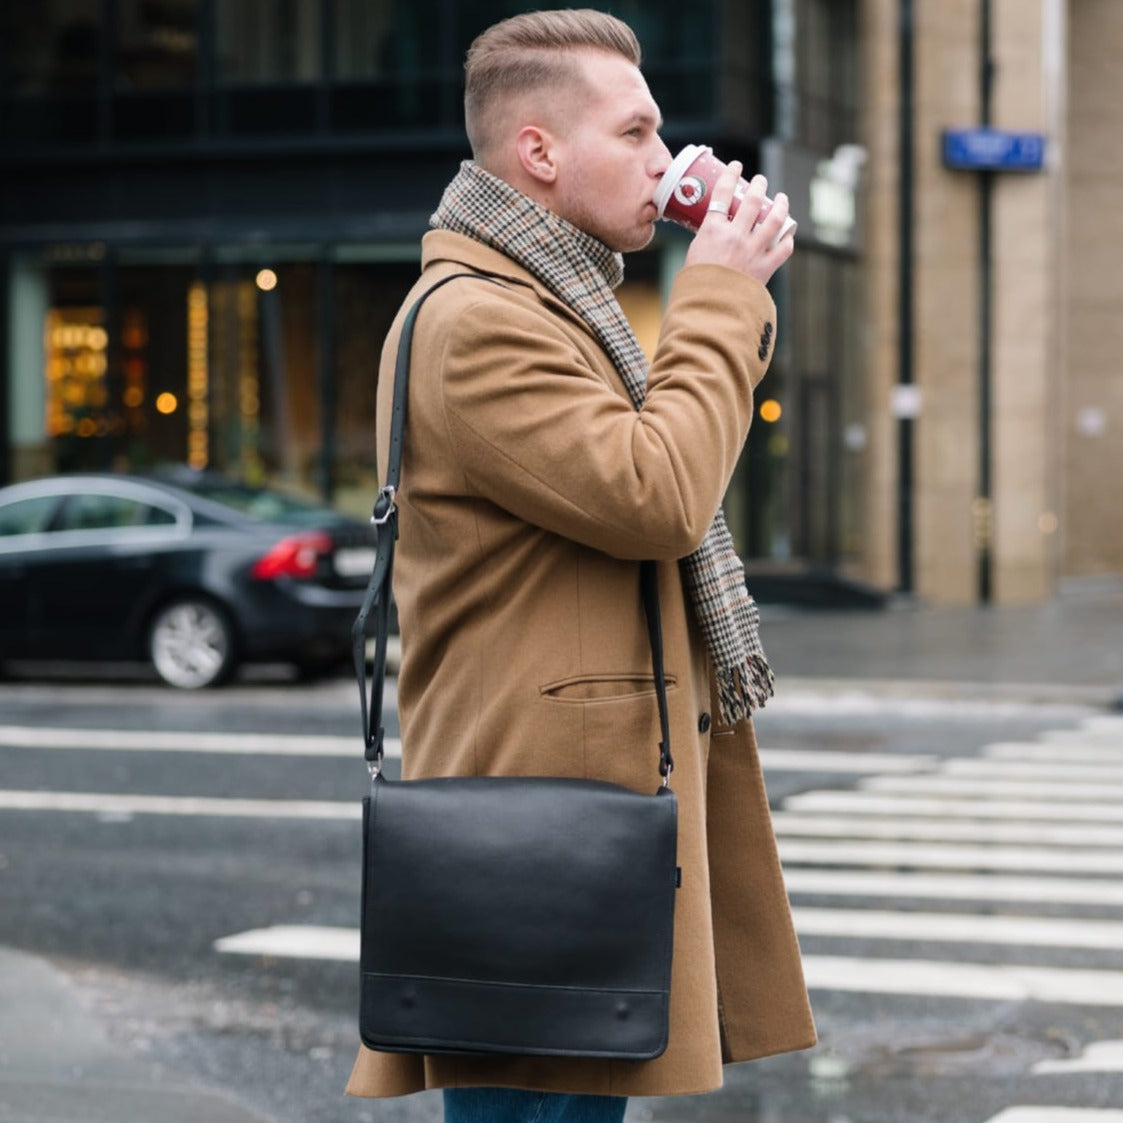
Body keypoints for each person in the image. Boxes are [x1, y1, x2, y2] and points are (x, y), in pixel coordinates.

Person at [347, 8, 816, 1122]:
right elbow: (655, 493)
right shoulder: (477, 322)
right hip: (541, 827)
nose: (666, 159)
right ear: (539, 155)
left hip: (582, 805)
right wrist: (723, 293)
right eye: (637, 131)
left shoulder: (556, 306)